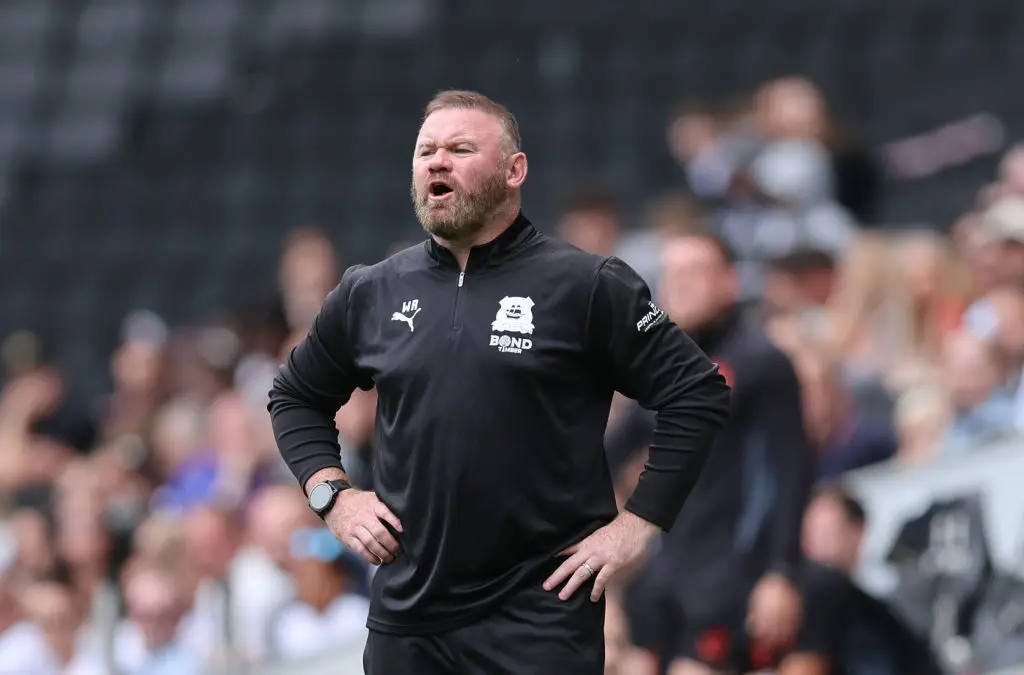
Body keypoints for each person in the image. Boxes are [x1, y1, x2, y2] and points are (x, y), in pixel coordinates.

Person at [268, 89, 732, 674]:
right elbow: (294, 397)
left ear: (515, 171)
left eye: (460, 148)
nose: (437, 161)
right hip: (407, 620)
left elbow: (698, 391)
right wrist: (333, 496)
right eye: (426, 151)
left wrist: (639, 525)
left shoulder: (587, 285)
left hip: (538, 621)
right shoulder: (371, 290)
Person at [620, 233, 811, 675]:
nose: (680, 285)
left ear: (729, 282)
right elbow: (602, 455)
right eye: (672, 275)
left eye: (695, 273)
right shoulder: (659, 369)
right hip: (664, 570)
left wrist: (782, 572)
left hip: (732, 569)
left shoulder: (761, 361)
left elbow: (790, 472)